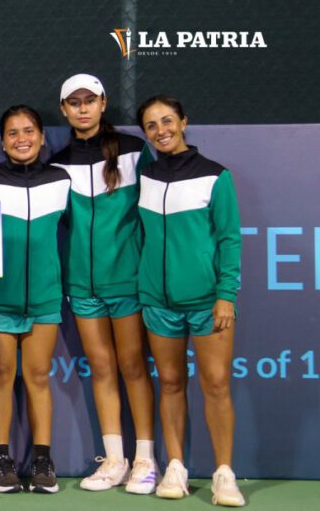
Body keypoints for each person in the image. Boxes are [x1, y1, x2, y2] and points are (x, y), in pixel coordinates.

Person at [48, 74, 158, 493]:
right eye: (74, 102)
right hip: (83, 287)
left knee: (133, 367)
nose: (83, 108)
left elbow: (153, 213)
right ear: (64, 109)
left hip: (127, 283)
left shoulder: (133, 151)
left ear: (103, 103)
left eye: (89, 100)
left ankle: (145, 460)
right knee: (102, 369)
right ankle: (114, 460)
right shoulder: (58, 163)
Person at [136, 95, 244, 507]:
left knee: (215, 384)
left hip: (207, 302)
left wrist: (225, 295)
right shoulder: (145, 177)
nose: (160, 130)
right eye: (151, 125)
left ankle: (224, 474)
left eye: (167, 121)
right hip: (157, 302)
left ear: (183, 122)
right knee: (169, 383)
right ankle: (176, 467)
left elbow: (229, 239)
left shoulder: (216, 176)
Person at [0, 105, 70, 494]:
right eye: (12, 133)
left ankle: (43, 462)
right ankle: (1, 460)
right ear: (2, 142)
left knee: (38, 377)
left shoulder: (60, 180)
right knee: (0, 376)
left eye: (29, 131)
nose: (21, 139)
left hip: (44, 299)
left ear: (42, 137)